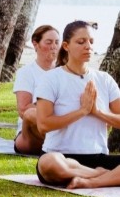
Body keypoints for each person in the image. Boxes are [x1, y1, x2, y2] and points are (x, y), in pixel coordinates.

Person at [35, 21, 120, 188]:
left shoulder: (104, 79)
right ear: (66, 46)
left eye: (91, 42)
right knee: (48, 163)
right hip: (61, 157)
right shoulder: (51, 79)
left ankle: (89, 182)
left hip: (98, 157)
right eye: (81, 42)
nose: (88, 46)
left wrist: (97, 112)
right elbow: (43, 125)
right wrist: (81, 111)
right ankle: (102, 175)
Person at [12, 25, 60, 155]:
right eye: (48, 42)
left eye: (57, 42)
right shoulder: (26, 72)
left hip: (57, 128)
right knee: (30, 114)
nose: (53, 46)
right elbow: (23, 110)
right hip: (31, 135)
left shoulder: (64, 72)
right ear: (35, 44)